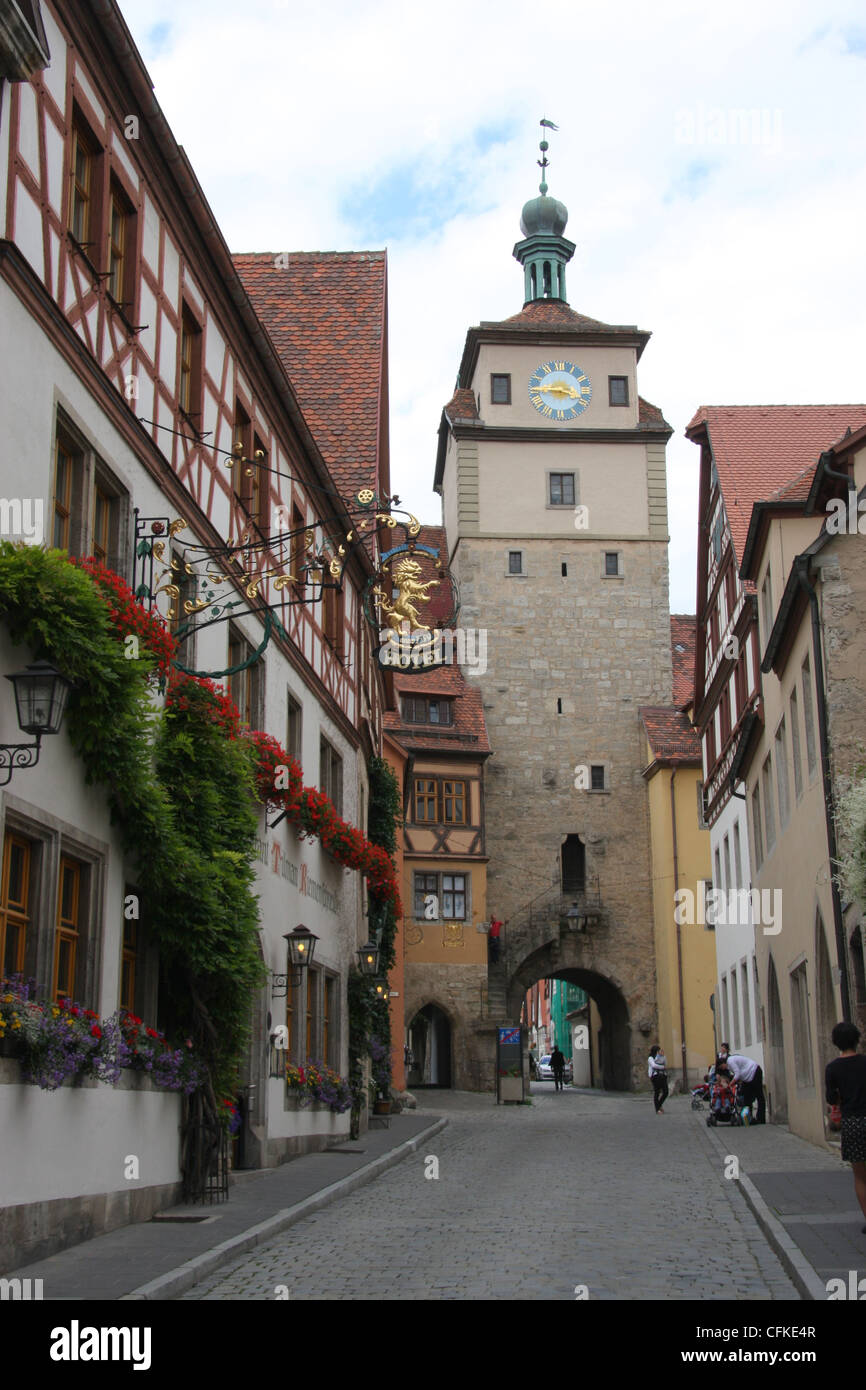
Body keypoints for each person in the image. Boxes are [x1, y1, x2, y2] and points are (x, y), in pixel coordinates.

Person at [825, 1020, 866, 1235]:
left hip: (853, 1123)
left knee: (860, 1176)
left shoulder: (833, 1068)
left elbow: (831, 1098)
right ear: (857, 1040)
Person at [724, 1051, 766, 1123]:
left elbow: (737, 1074)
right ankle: (748, 1118)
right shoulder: (729, 1064)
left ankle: (761, 1118)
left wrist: (730, 1085)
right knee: (747, 1097)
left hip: (755, 1071)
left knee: (759, 1096)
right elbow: (740, 1073)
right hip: (748, 1077)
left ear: (723, 1063)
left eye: (722, 1067)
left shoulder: (730, 1061)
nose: (723, 1068)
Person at [648, 1044, 668, 1113]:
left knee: (666, 1092)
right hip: (655, 1076)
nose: (660, 1051)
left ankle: (659, 1105)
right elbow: (653, 1065)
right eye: (658, 1050)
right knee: (657, 1092)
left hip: (663, 1075)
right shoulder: (651, 1058)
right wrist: (662, 1067)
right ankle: (657, 1109)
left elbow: (665, 1064)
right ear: (656, 1051)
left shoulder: (662, 1057)